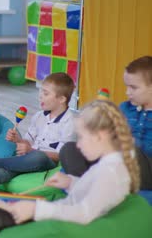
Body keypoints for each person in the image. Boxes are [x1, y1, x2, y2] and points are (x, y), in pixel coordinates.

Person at [0, 100, 140, 238]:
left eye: (82, 138)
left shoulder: (111, 171)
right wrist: (70, 183)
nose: (78, 145)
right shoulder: (109, 164)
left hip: (61, 220)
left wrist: (35, 209)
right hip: (59, 210)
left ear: (100, 136)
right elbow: (96, 193)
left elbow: (84, 212)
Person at [0, 72, 76, 202]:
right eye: (40, 92)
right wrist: (18, 140)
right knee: (2, 172)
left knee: (38, 156)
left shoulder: (70, 122)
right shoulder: (39, 116)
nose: (40, 97)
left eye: (45, 94)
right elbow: (28, 141)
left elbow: (61, 155)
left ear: (61, 99)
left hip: (47, 161)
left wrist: (31, 151)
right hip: (28, 158)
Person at [60, 56, 152, 189]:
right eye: (127, 87)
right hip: (113, 163)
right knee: (69, 149)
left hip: (142, 170)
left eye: (133, 88)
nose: (127, 92)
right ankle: (86, 187)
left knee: (131, 151)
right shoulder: (125, 108)